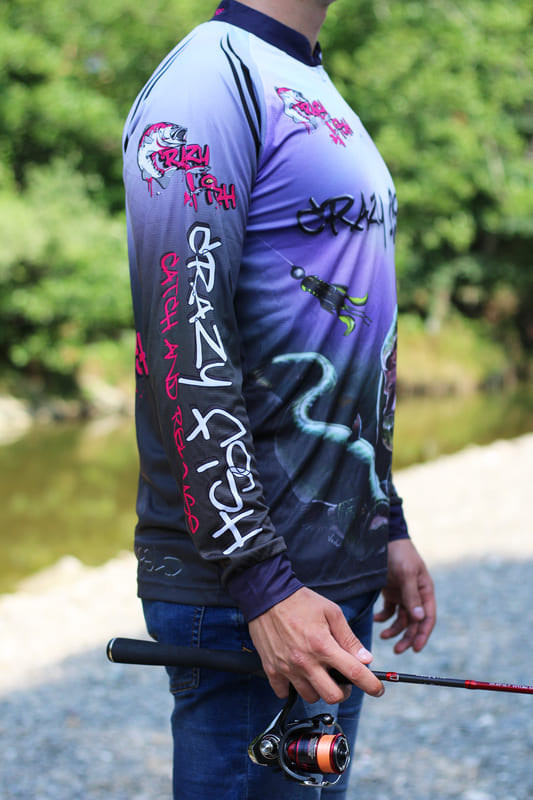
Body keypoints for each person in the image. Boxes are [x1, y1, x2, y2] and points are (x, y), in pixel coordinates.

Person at [122, 1, 436, 797]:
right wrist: (262, 583)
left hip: (329, 573)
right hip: (256, 597)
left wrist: (386, 522)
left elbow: (350, 339)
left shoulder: (304, 73)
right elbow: (182, 345)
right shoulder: (209, 80)